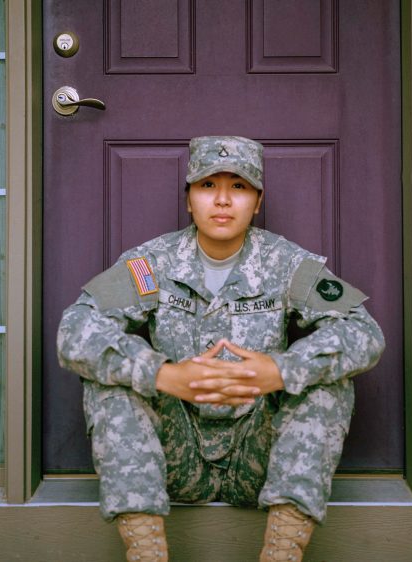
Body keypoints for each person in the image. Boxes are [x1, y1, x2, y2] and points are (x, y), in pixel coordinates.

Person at [57, 136, 385, 561]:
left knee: (328, 386)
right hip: (174, 454)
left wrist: (280, 370)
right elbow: (75, 329)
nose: (223, 201)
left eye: (240, 187)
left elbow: (364, 332)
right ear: (189, 199)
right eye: (208, 186)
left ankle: (282, 552)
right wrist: (164, 375)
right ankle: (146, 553)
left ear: (258, 200)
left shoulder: (287, 263)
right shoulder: (151, 263)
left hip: (261, 457)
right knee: (109, 385)